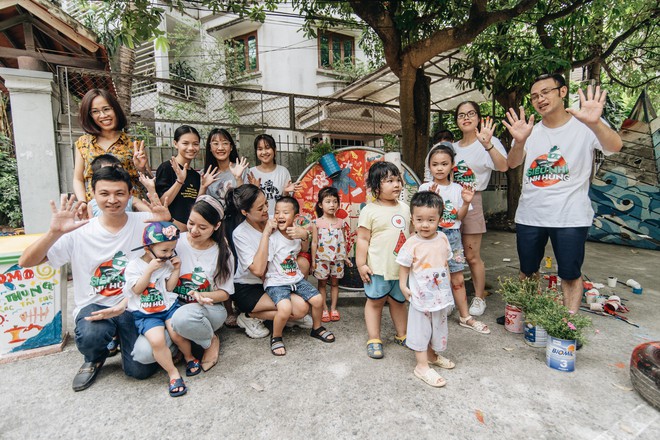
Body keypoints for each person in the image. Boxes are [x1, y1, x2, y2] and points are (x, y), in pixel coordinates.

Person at [18, 166, 170, 391]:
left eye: (119, 193)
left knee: (140, 370)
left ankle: (122, 339)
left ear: (129, 195)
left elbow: (176, 238)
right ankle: (94, 357)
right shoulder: (79, 229)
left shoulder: (145, 221)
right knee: (92, 334)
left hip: (132, 304)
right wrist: (54, 232)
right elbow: (26, 262)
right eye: (104, 193)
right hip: (95, 305)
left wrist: (167, 221)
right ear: (92, 196)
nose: (112, 200)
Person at [504, 74, 622, 313]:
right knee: (528, 270)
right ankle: (527, 315)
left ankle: (568, 325)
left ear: (563, 91)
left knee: (569, 273)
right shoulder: (531, 131)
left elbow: (614, 147)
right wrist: (518, 142)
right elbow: (512, 162)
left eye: (546, 92)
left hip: (570, 216)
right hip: (531, 214)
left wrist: (596, 123)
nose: (540, 99)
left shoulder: (586, 125)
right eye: (535, 96)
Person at [132, 197, 232, 372]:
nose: (194, 230)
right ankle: (181, 347)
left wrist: (203, 295)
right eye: (191, 223)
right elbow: (148, 254)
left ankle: (209, 340)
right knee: (144, 354)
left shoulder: (221, 252)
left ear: (216, 226)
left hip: (206, 310)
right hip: (168, 308)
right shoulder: (175, 241)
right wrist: (164, 221)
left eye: (203, 227)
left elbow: (225, 293)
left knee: (183, 317)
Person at [419, 144, 489, 335]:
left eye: (444, 164)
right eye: (435, 164)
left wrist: (466, 202)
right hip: (432, 237)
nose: (439, 168)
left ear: (452, 165)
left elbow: (459, 217)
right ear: (429, 167)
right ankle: (432, 312)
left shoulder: (458, 189)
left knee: (457, 276)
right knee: (432, 276)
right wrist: (431, 197)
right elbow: (421, 217)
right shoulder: (425, 187)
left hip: (453, 237)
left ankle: (465, 316)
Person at [225, 185, 311, 339]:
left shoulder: (275, 217)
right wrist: (265, 234)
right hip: (250, 286)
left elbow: (297, 247)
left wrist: (304, 234)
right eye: (260, 208)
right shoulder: (240, 234)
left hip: (276, 280)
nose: (266, 209)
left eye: (266, 203)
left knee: (302, 304)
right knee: (297, 310)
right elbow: (258, 270)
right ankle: (250, 316)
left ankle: (283, 316)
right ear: (245, 212)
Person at [252, 197, 335, 355]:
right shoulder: (272, 238)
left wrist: (304, 235)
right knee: (285, 308)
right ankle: (276, 337)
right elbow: (263, 266)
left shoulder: (296, 234)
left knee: (318, 299)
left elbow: (303, 249)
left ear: (295, 217)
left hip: (295, 279)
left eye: (285, 212)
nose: (280, 215)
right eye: (277, 212)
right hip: (276, 283)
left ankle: (317, 328)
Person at [124, 221, 198, 397]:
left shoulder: (166, 263)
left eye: (172, 250)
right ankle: (172, 373)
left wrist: (175, 270)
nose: (169, 254)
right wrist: (148, 272)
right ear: (148, 248)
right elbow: (136, 290)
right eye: (164, 250)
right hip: (146, 313)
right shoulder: (134, 266)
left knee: (176, 333)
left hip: (168, 306)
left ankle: (189, 357)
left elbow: (170, 288)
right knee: (157, 341)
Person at [452, 101, 508, 317]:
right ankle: (450, 298)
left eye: (471, 113)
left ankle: (478, 297)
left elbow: (503, 166)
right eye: (461, 114)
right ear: (457, 120)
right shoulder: (452, 147)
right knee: (448, 254)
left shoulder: (488, 141)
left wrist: (488, 145)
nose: (466, 118)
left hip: (473, 200)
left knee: (471, 255)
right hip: (450, 201)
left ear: (478, 117)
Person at [397, 191, 456, 387]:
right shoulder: (412, 243)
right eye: (419, 219)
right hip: (421, 297)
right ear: (412, 219)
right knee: (420, 330)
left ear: (440, 218)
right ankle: (421, 366)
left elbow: (445, 264)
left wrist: (448, 288)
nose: (425, 224)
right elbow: (404, 266)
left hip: (440, 297)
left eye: (431, 220)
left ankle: (431, 355)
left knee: (438, 327)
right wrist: (402, 285)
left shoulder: (443, 239)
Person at [356, 161, 410, 359]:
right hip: (377, 268)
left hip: (401, 269)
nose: (396, 184)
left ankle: (402, 335)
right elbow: (362, 239)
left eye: (397, 180)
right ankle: (374, 338)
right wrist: (361, 264)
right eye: (389, 181)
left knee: (399, 302)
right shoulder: (369, 210)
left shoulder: (405, 208)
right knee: (375, 302)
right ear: (376, 187)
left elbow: (411, 234)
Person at [73, 88, 149, 204]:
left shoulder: (133, 143)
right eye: (95, 111)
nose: (103, 115)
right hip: (96, 208)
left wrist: (142, 169)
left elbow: (148, 179)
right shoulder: (83, 143)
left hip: (129, 206)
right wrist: (82, 203)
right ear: (89, 115)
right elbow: (78, 179)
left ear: (115, 110)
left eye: (106, 109)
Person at [156, 125, 216, 231]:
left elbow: (196, 206)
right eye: (185, 143)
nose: (191, 148)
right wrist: (179, 181)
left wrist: (203, 187)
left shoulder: (196, 175)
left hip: (190, 231)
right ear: (175, 144)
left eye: (195, 144)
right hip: (169, 229)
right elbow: (161, 202)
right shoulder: (167, 168)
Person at [311, 186, 352, 322]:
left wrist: (345, 257)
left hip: (338, 259)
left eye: (335, 201)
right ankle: (323, 309)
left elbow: (343, 241)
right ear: (320, 205)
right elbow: (314, 243)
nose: (332, 205)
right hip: (321, 259)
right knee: (322, 284)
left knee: (335, 284)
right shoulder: (316, 223)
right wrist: (313, 261)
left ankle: (333, 309)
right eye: (328, 201)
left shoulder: (341, 222)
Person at [248, 134, 302, 216]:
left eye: (267, 147)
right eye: (260, 149)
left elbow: (286, 202)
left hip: (278, 220)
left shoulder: (283, 171)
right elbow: (246, 202)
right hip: (257, 220)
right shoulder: (251, 173)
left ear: (275, 150)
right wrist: (254, 190)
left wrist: (285, 193)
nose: (264, 152)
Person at [86, 154, 153, 218]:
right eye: (108, 171)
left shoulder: (131, 200)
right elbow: (92, 225)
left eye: (119, 193)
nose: (112, 201)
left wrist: (151, 189)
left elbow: (152, 214)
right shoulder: (91, 204)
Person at [204, 128, 249, 204]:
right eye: (215, 144)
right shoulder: (205, 174)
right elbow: (199, 205)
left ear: (231, 147)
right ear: (210, 148)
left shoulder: (242, 170)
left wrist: (238, 178)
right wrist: (203, 187)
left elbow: (247, 201)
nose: (220, 148)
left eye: (225, 143)